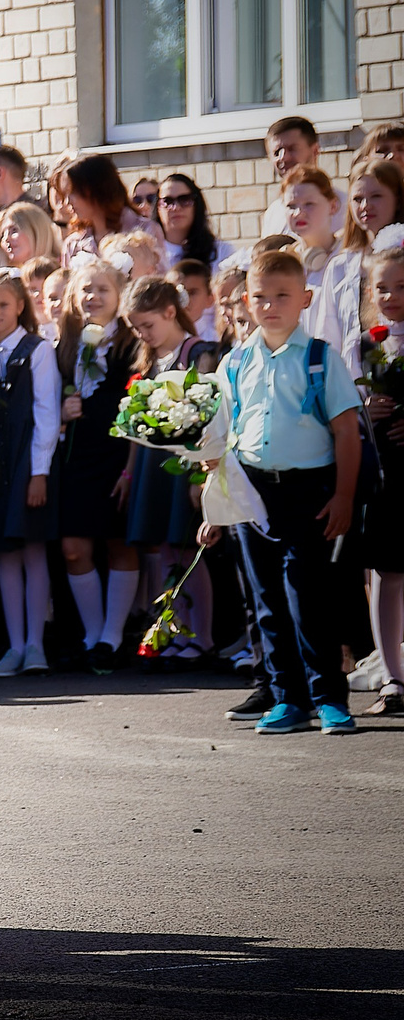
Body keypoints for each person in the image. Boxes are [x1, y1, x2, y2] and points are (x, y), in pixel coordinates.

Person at [200, 247, 362, 735]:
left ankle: (328, 696)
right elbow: (222, 438)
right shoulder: (235, 362)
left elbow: (346, 432)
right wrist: (216, 502)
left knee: (308, 595)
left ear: (305, 298)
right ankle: (287, 697)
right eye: (261, 297)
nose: (271, 306)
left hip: (309, 491)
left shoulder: (319, 358)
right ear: (246, 302)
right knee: (267, 597)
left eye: (282, 296)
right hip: (251, 491)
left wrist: (344, 496)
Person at [121, 278, 220, 665]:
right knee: (165, 551)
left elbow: (206, 417)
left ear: (169, 312)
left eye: (148, 326)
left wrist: (200, 474)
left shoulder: (199, 353)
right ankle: (176, 630)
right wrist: (129, 474)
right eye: (137, 328)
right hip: (153, 466)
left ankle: (205, 636)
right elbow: (136, 428)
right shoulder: (149, 363)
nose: (143, 334)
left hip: (185, 467)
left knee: (188, 548)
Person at [0, 271, 59, 676]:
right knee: (6, 552)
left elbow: (46, 411)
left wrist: (39, 473)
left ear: (20, 305)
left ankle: (37, 644)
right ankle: (15, 644)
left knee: (33, 549)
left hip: (27, 461)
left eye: (2, 304)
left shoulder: (37, 350)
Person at [53, 259, 141, 672]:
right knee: (74, 549)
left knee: (118, 543)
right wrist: (64, 411)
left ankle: (112, 637)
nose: (93, 297)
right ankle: (93, 634)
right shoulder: (65, 345)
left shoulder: (130, 344)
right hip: (79, 456)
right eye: (86, 289)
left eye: (103, 289)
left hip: (118, 454)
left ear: (119, 295)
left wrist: (129, 468)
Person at [354, 245, 404, 716]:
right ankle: (393, 677)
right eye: (382, 287)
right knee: (388, 572)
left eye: (402, 286)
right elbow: (349, 403)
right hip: (389, 469)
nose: (391, 296)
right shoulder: (369, 343)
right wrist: (367, 411)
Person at [315, 159, 404, 380]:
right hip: (356, 396)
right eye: (357, 199)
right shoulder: (340, 266)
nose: (365, 206)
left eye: (376, 196)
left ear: (398, 199)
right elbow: (329, 337)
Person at [55, 155, 147, 269]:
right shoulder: (73, 244)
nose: (67, 201)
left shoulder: (145, 231)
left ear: (96, 189)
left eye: (73, 192)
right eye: (65, 194)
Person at [256, 116, 321, 237]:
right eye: (277, 152)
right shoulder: (273, 213)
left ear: (315, 151)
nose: (283, 157)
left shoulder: (340, 207)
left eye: (292, 149)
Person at [152, 173, 226, 272]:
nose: (176, 207)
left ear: (196, 205)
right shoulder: (148, 252)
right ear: (158, 207)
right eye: (168, 201)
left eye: (184, 200)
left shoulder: (221, 252)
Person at [0, 202, 57, 273]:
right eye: (3, 234)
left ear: (36, 230)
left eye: (14, 230)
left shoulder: (60, 276)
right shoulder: (6, 279)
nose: (6, 239)